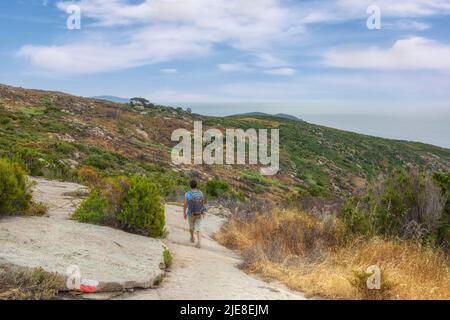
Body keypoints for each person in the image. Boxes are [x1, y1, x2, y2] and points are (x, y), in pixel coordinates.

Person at [183, 180, 205, 248]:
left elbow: (185, 204)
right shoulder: (200, 193)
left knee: (191, 227)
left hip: (191, 213)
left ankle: (192, 237)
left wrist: (184, 213)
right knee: (199, 228)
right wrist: (202, 211)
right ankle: (199, 243)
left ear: (190, 185)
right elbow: (202, 202)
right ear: (196, 185)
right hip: (199, 213)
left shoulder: (187, 194)